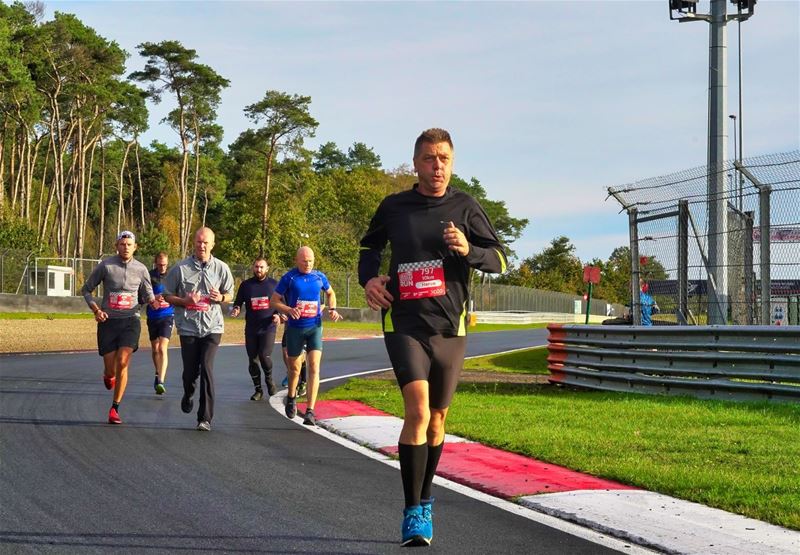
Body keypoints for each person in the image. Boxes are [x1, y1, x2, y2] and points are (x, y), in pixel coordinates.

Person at [358, 128, 507, 546]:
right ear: (415, 163)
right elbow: (367, 250)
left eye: (443, 158)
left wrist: (467, 249)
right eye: (428, 158)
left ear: (452, 162)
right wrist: (369, 280)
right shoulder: (394, 206)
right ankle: (411, 512)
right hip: (403, 321)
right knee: (419, 412)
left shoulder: (466, 207)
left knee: (439, 419)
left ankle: (425, 500)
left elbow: (499, 260)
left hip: (449, 327)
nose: (436, 165)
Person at [81, 230, 158, 425]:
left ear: (135, 247)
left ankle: (115, 408)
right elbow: (86, 289)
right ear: (117, 245)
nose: (126, 247)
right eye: (122, 244)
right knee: (110, 369)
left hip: (130, 321)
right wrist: (96, 310)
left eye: (129, 244)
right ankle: (108, 376)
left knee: (123, 361)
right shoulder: (106, 266)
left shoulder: (141, 269)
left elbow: (148, 293)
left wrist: (154, 302)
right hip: (108, 321)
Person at [163, 227, 234, 432]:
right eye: (198, 242)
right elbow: (167, 295)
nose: (202, 246)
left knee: (207, 367)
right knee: (190, 372)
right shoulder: (180, 268)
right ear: (194, 243)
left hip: (213, 327)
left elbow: (229, 294)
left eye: (206, 243)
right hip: (188, 327)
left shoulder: (221, 268)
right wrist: (184, 301)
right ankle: (188, 392)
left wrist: (220, 298)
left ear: (212, 245)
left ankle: (205, 418)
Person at [271, 246, 343, 426]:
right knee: (294, 369)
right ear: (297, 261)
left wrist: (332, 308)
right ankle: (291, 397)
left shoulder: (319, 276)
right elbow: (274, 300)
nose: (308, 264)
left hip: (315, 327)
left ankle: (310, 411)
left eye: (311, 260)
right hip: (295, 328)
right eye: (304, 261)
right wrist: (289, 310)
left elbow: (330, 293)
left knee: (314, 367)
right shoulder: (289, 277)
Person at [230, 257, 280, 400]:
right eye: (256, 267)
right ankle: (258, 390)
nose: (259, 270)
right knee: (252, 360)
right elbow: (238, 302)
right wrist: (236, 309)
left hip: (268, 327)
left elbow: (282, 304)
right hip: (251, 328)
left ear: (267, 269)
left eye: (261, 267)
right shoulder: (246, 285)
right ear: (253, 267)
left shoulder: (274, 285)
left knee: (264, 355)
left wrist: (278, 315)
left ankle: (269, 380)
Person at [146, 252, 174, 395]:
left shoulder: (172, 276)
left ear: (167, 263)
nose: (162, 267)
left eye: (164, 264)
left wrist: (170, 299)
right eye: (159, 264)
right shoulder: (149, 276)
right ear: (155, 263)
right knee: (155, 349)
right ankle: (157, 373)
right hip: (152, 317)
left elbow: (179, 294)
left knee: (163, 348)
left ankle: (161, 381)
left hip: (167, 316)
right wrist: (152, 299)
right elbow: (142, 294)